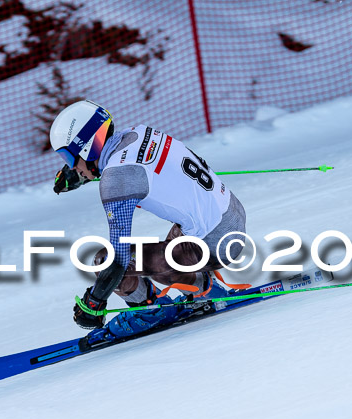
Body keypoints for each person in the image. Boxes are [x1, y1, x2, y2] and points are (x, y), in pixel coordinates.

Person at [50, 100, 247, 343]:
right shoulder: (138, 133)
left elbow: (118, 260)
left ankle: (153, 310)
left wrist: (94, 302)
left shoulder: (116, 179)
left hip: (215, 243)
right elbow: (121, 161)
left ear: (86, 148)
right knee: (163, 252)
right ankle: (202, 288)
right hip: (230, 215)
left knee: (104, 260)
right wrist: (78, 173)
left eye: (69, 158)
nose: (71, 167)